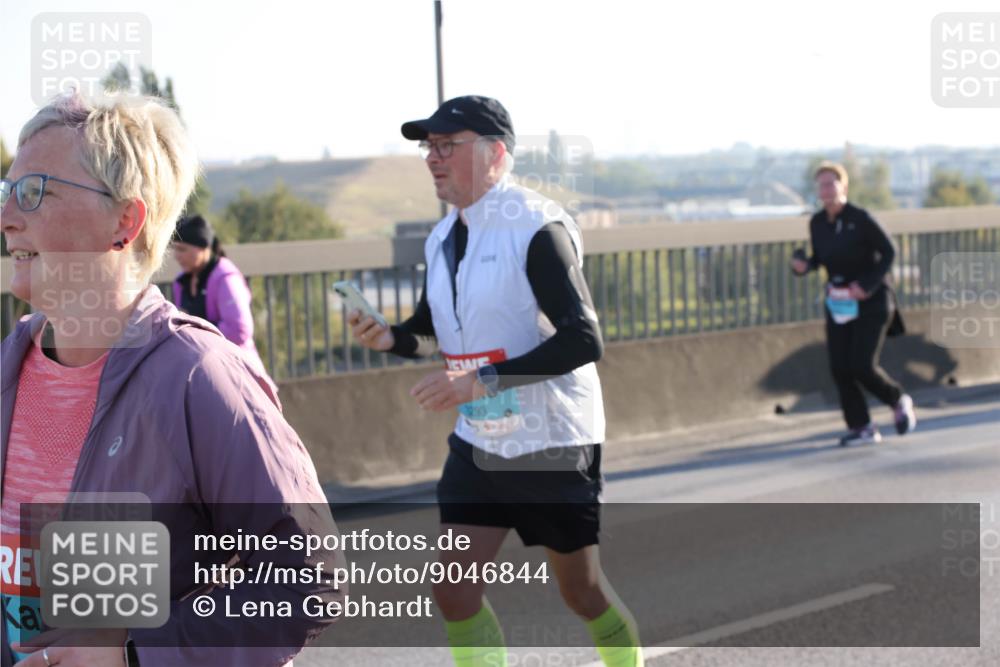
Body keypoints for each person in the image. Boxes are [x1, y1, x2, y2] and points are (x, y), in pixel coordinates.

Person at [0, 93, 344, 667]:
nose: (7, 216)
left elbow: (306, 579)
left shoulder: (197, 377)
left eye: (34, 191)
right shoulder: (9, 368)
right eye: (7, 192)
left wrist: (133, 652)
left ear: (124, 221)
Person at [349, 95, 643, 667]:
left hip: (550, 443)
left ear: (496, 154)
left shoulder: (537, 226)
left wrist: (479, 382)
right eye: (428, 148)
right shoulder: (442, 240)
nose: (432, 158)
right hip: (480, 443)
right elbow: (437, 331)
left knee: (581, 592)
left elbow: (585, 339)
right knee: (453, 590)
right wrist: (393, 339)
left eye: (446, 146)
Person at [791, 161, 916, 446]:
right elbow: (820, 257)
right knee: (840, 367)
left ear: (843, 186)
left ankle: (897, 400)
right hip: (839, 303)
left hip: (872, 301)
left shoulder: (861, 218)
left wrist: (867, 284)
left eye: (830, 183)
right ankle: (862, 427)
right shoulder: (818, 223)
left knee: (861, 364)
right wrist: (804, 265)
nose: (825, 189)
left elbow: (889, 251)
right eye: (820, 184)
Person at [171, 214, 265, 370]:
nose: (176, 256)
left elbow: (239, 330)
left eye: (182, 249)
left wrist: (194, 334)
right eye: (175, 249)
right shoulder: (181, 282)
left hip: (237, 369)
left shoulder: (226, 279)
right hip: (204, 369)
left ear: (203, 247)